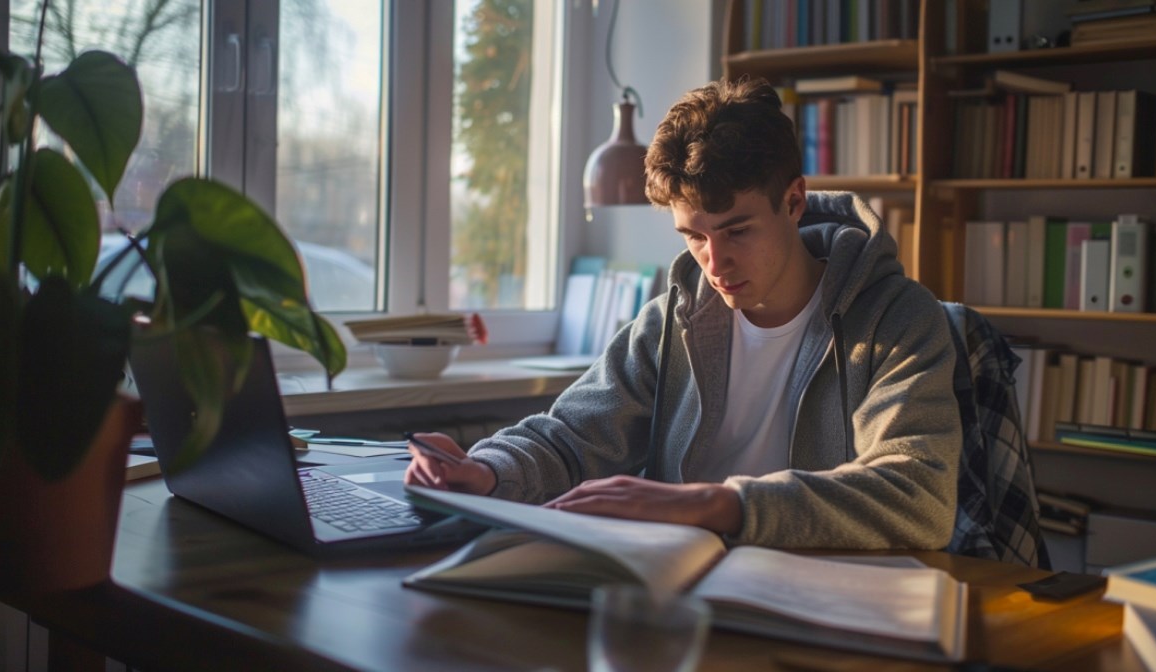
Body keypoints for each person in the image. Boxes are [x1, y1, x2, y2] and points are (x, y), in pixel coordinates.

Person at [405, 77, 962, 550]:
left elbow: (918, 497)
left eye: (737, 230)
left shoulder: (895, 319)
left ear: (794, 201)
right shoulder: (673, 320)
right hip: (677, 583)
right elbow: (572, 436)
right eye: (694, 236)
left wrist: (719, 505)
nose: (715, 264)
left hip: (825, 596)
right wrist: (487, 470)